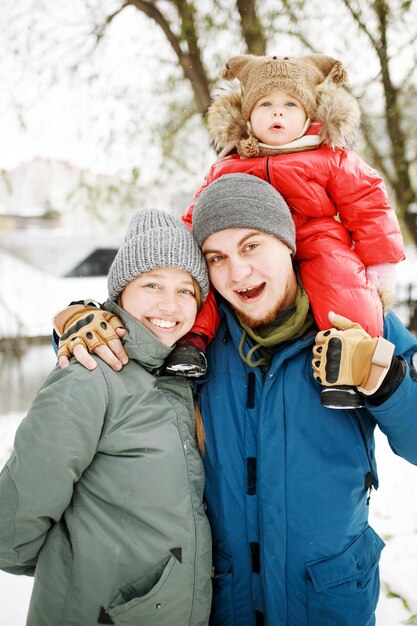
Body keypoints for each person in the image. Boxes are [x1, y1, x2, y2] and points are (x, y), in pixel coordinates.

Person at [54, 174, 417, 626]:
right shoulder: (195, 341)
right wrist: (78, 324)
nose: (237, 273)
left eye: (251, 246)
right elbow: (121, 347)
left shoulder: (361, 318)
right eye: (216, 257)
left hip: (329, 595)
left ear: (287, 243)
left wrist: (386, 382)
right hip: (227, 599)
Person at [0, 208, 212, 626]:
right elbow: (10, 531)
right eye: (152, 284)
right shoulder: (90, 376)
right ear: (121, 291)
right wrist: (81, 571)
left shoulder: (184, 376)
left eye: (185, 290)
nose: (170, 304)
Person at [167, 53, 405, 398]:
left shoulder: (329, 156)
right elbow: (199, 212)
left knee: (342, 280)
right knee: (203, 278)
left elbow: (368, 204)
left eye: (290, 104)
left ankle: (352, 357)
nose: (277, 112)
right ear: (248, 115)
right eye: (265, 103)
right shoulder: (231, 163)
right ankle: (191, 342)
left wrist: (378, 263)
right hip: (247, 242)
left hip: (314, 235)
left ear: (309, 114)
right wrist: (176, 257)